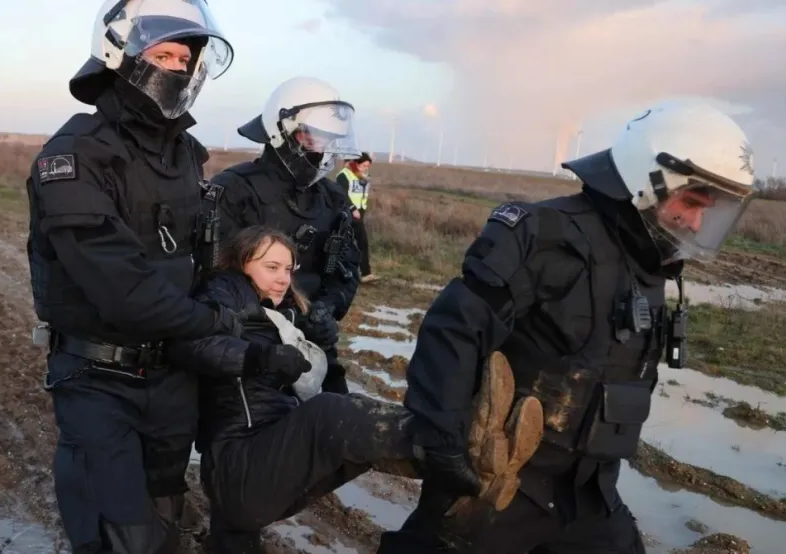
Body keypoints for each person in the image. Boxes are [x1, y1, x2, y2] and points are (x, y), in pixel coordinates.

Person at [376, 100, 759, 553]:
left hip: (591, 496)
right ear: (647, 180)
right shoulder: (544, 233)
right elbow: (454, 330)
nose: (695, 222)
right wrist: (441, 442)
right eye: (690, 203)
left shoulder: (653, 267)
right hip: (501, 483)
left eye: (707, 211)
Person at [167, 225, 544, 553]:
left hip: (262, 474)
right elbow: (196, 345)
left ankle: (474, 470)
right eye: (271, 267)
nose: (283, 278)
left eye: (288, 269)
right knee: (330, 415)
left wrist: (323, 348)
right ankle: (463, 439)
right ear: (240, 263)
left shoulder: (281, 316)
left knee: (354, 439)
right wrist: (259, 358)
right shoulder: (224, 290)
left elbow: (312, 379)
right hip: (240, 468)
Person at [24, 1, 246, 551]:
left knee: (165, 520)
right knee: (119, 535)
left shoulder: (187, 157)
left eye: (185, 57)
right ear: (118, 54)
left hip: (173, 379)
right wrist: (217, 319)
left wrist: (232, 295)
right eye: (163, 53)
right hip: (99, 379)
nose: (177, 67)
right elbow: (121, 287)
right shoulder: (76, 155)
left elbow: (207, 259)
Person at [206, 76, 363, 395]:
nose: (324, 150)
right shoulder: (235, 189)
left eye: (331, 141)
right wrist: (283, 316)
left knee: (335, 432)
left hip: (313, 349)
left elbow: (346, 272)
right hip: (249, 351)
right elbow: (213, 278)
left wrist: (325, 310)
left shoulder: (333, 199)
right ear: (285, 134)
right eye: (316, 138)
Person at [337, 152, 378, 283]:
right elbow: (342, 195)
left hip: (360, 212)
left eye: (368, 166)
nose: (366, 168)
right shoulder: (344, 175)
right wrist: (352, 208)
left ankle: (364, 273)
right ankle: (364, 272)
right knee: (355, 242)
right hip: (348, 213)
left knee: (359, 243)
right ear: (356, 163)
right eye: (364, 165)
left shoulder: (364, 176)